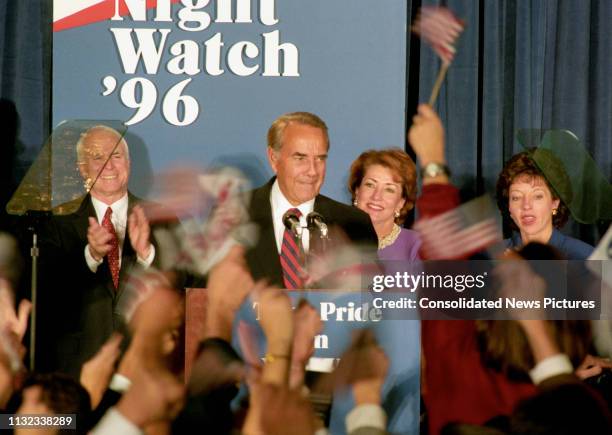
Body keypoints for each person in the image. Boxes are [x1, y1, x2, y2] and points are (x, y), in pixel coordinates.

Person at [38, 125, 170, 377]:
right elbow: (47, 293)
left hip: (144, 371)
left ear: (129, 163)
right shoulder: (56, 222)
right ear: (82, 167)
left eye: (116, 156)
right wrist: (92, 256)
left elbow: (185, 284)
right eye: (98, 157)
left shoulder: (163, 218)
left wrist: (147, 255)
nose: (109, 165)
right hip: (75, 372)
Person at [245, 112, 377, 288]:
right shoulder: (236, 213)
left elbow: (372, 302)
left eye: (320, 159)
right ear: (273, 158)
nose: (313, 171)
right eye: (300, 158)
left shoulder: (354, 225)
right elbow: (202, 298)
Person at [496, 150, 593, 260]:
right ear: (509, 206)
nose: (526, 205)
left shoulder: (585, 257)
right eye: (516, 197)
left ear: (555, 203)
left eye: (537, 196)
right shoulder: (493, 257)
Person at [348, 148, 420, 261]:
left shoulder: (417, 247)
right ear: (357, 190)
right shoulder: (330, 238)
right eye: (370, 185)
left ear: (401, 202)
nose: (376, 196)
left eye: (389, 190)